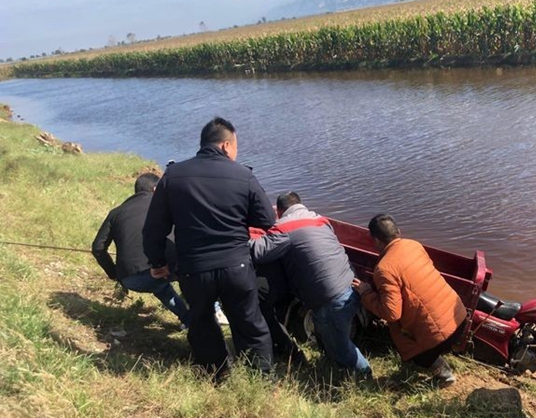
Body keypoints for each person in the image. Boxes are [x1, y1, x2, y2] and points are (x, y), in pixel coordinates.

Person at [142, 117, 276, 379]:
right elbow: (267, 221)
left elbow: (153, 229)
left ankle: (217, 377)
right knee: (249, 324)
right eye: (236, 147)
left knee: (202, 323)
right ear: (226, 145)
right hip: (236, 266)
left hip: (194, 269)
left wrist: (158, 262)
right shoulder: (243, 175)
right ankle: (261, 380)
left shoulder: (173, 176)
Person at [249, 192, 371, 376]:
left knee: (340, 347)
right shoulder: (320, 220)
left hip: (330, 297)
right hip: (350, 285)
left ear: (280, 211)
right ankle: (338, 369)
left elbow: (258, 252)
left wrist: (236, 241)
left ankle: (364, 377)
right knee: (331, 338)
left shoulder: (284, 228)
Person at [352, 214, 468, 386]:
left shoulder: (384, 269)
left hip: (441, 334)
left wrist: (366, 293)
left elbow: (391, 313)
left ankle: (443, 373)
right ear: (398, 232)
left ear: (376, 241)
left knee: (411, 347)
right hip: (459, 317)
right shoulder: (414, 245)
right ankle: (432, 354)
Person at [92, 172, 190, 328]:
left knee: (160, 287)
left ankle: (189, 320)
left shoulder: (115, 213)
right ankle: (211, 312)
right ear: (156, 189)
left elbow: (98, 248)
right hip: (168, 267)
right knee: (192, 278)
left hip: (131, 278)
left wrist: (115, 274)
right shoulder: (165, 205)